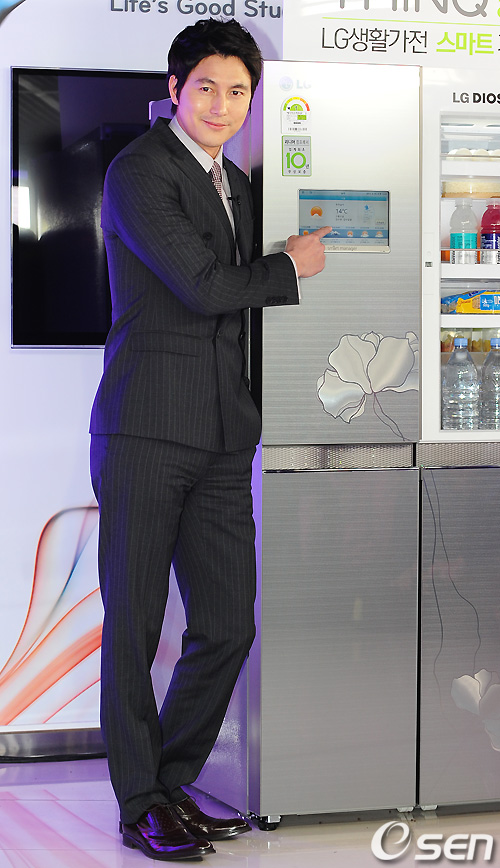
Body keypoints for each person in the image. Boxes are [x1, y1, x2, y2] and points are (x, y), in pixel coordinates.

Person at [90, 17, 329, 862]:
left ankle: (169, 785)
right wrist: (290, 266)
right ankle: (140, 804)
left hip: (226, 435)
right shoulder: (138, 171)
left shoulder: (240, 182)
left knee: (228, 624)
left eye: (237, 92)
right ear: (175, 89)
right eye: (206, 88)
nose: (222, 105)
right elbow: (201, 287)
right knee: (134, 624)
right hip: (147, 428)